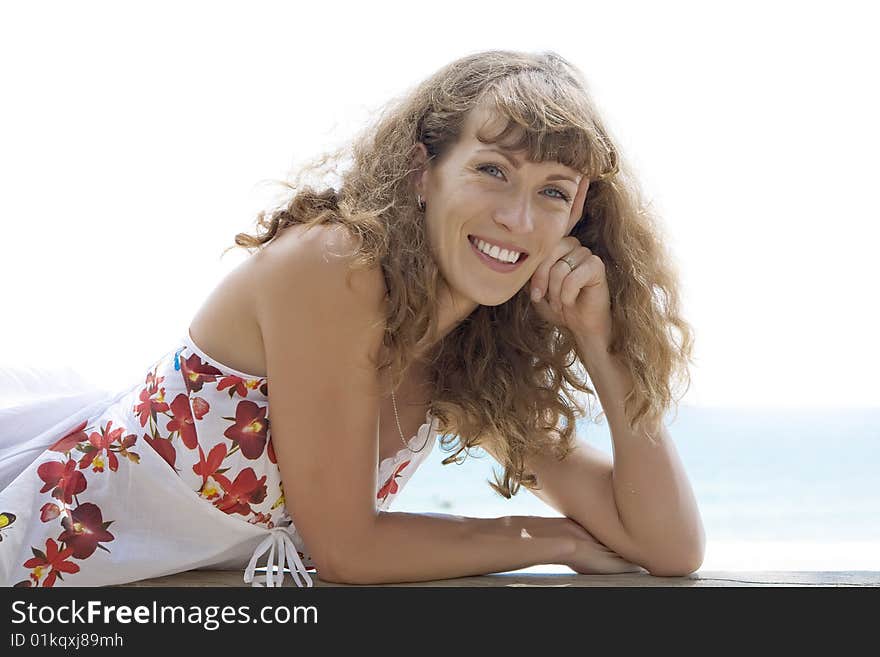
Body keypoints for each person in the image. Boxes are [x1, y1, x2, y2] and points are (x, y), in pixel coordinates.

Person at [0, 49, 704, 588]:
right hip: (31, 563)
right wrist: (554, 539)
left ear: (577, 217)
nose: (519, 218)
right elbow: (345, 549)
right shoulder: (337, 266)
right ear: (420, 171)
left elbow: (669, 547)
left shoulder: (465, 360)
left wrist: (602, 345)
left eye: (553, 192)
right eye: (492, 171)